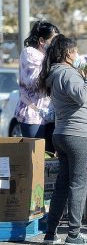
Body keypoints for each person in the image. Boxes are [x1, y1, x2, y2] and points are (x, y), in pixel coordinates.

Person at [38, 34, 87, 245]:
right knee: (79, 185)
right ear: (67, 54)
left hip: (63, 133)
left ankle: (50, 232)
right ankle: (74, 234)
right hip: (79, 133)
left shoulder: (56, 73)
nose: (77, 55)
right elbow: (81, 95)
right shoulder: (67, 73)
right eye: (75, 51)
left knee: (63, 185)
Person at [15, 21, 59, 153]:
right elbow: (35, 82)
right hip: (33, 113)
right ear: (41, 40)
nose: (56, 44)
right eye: (53, 40)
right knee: (36, 156)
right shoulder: (29, 53)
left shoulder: (49, 57)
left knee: (50, 156)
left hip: (50, 113)